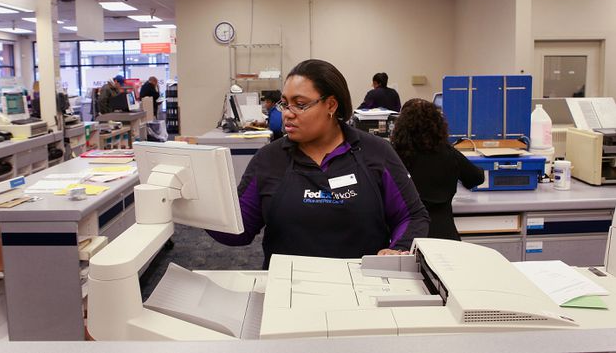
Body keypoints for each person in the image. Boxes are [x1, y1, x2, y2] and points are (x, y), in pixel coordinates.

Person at [207, 59, 429, 269]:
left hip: (361, 288)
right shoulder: (268, 159)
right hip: (287, 291)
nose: (287, 114)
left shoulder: (375, 153)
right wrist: (198, 206)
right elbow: (238, 230)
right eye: (285, 104)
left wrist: (398, 250)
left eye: (300, 104)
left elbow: (412, 216)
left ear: (331, 105)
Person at [390, 98, 484, 241]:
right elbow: (476, 178)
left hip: (408, 235)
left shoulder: (394, 155)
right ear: (437, 125)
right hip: (445, 236)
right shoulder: (448, 153)